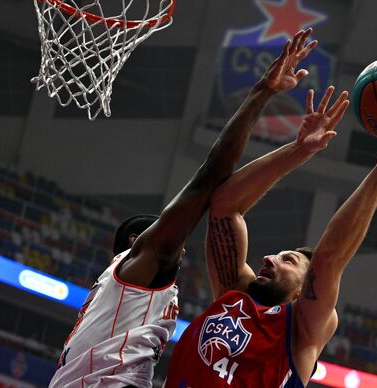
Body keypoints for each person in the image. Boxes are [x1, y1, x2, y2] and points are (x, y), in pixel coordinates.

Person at [49, 29, 319, 388]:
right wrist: (261, 93)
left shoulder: (132, 299)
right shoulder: (142, 267)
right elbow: (210, 178)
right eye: (164, 232)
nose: (180, 242)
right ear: (137, 240)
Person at [165, 87, 377, 387]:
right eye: (277, 255)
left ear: (301, 291)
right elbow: (224, 208)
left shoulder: (302, 332)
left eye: (288, 260)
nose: (268, 258)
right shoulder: (234, 294)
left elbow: (329, 258)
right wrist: (298, 150)